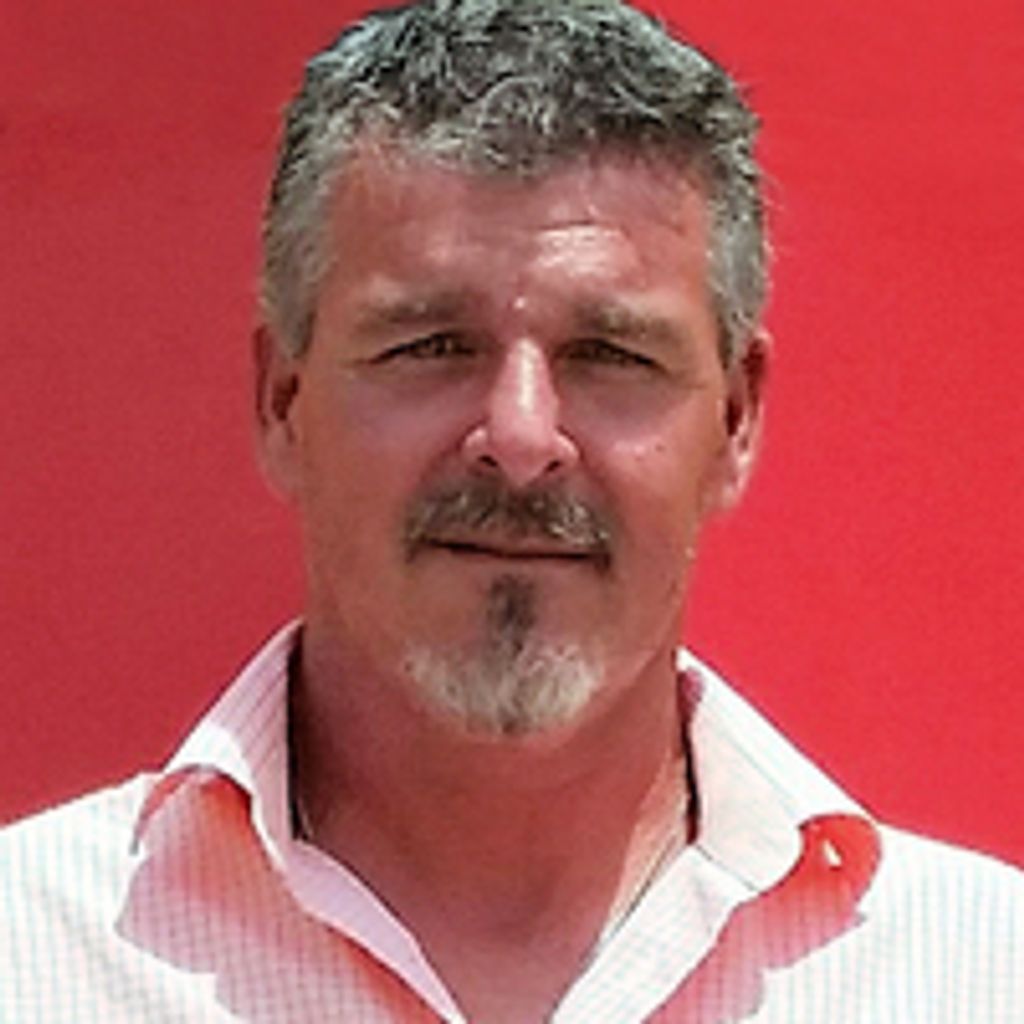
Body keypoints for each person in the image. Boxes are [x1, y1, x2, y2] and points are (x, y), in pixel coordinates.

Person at [2, 0, 1021, 1020]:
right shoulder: (32, 958)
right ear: (282, 401)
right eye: (430, 346)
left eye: (611, 355)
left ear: (736, 419)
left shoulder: (974, 977)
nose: (521, 439)